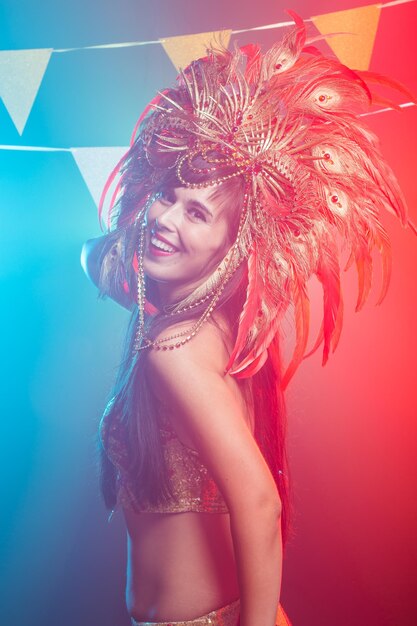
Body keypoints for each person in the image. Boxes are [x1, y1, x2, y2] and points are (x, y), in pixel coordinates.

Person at [81, 11, 415, 626]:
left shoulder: (173, 348)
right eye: (166, 195)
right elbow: (97, 257)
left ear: (232, 248)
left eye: (197, 214)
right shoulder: (208, 327)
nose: (166, 220)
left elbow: (259, 502)